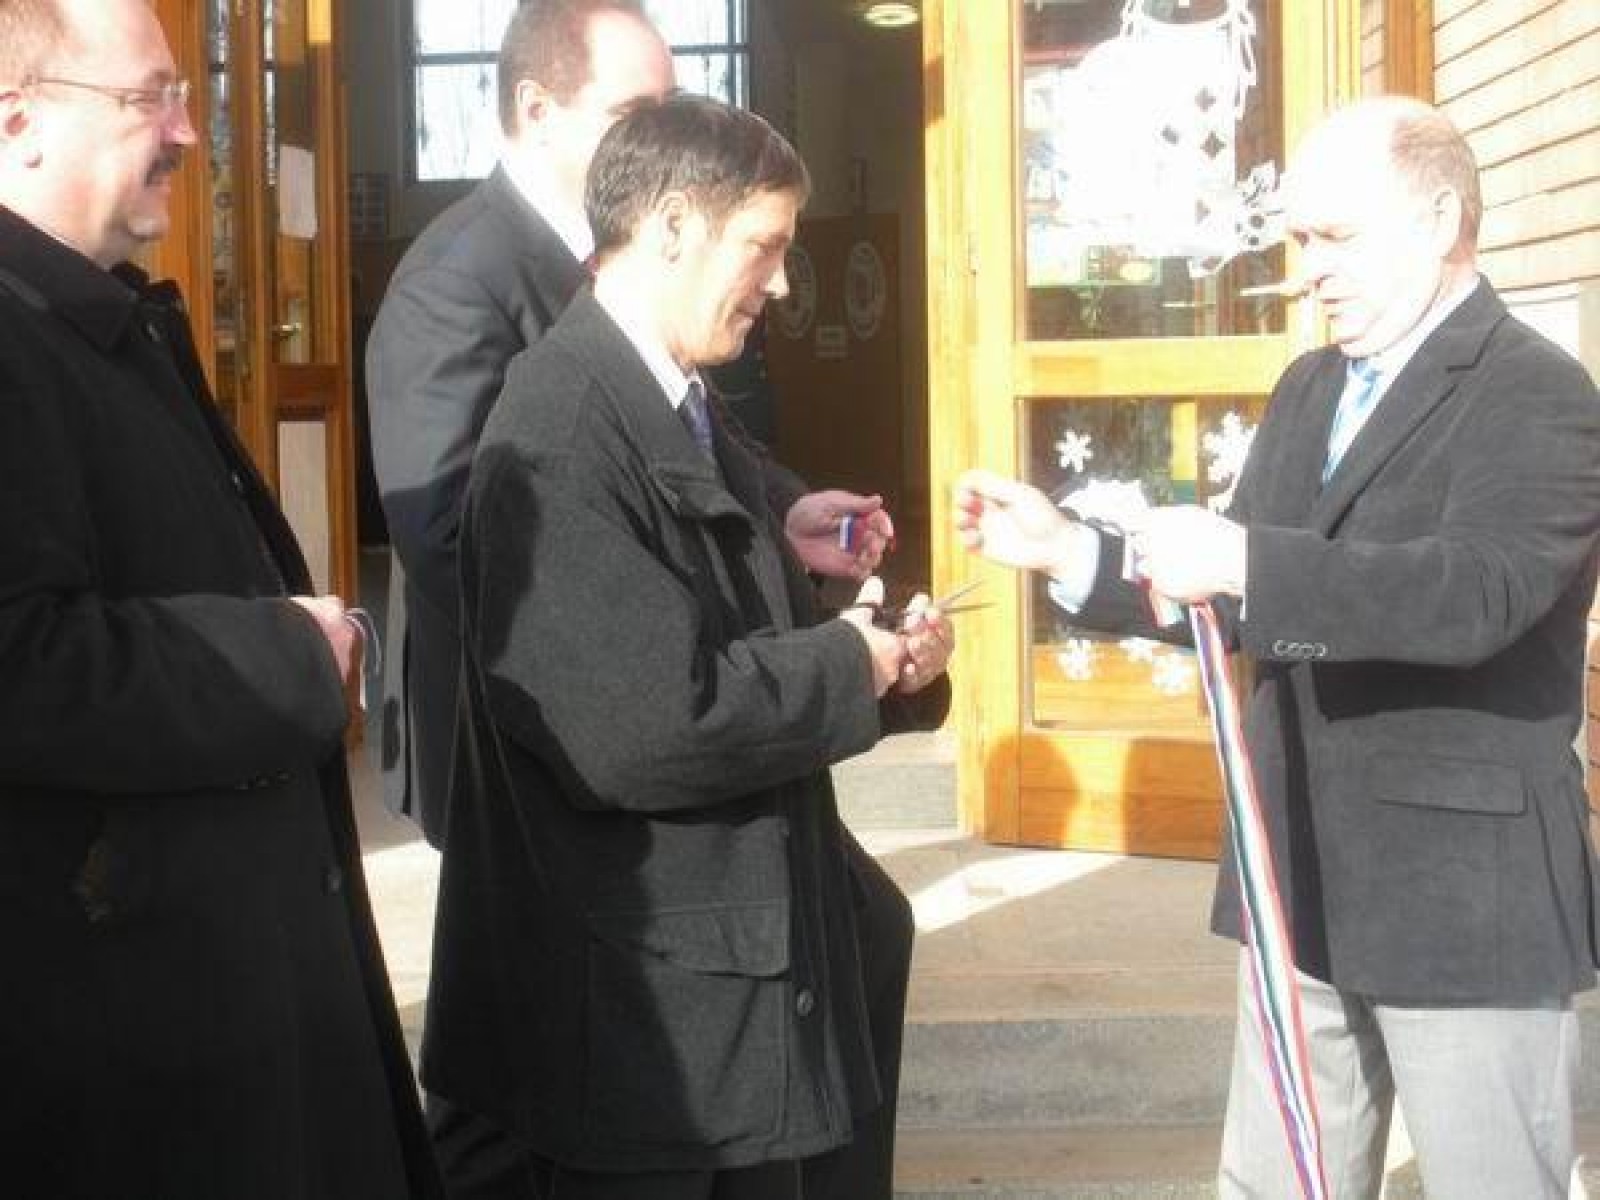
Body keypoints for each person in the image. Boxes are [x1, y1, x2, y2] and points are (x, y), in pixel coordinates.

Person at [954, 96, 1600, 1199]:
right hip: (1296, 870)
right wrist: (1070, 551)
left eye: (1334, 237)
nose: (1308, 271)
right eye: (1300, 238)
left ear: (1440, 218)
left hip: (1464, 900)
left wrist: (1246, 559)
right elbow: (1236, 596)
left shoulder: (1537, 389)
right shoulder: (1311, 385)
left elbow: (1477, 593)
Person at [422, 94, 951, 1200]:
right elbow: (649, 725)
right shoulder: (564, 429)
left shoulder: (670, 401)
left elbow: (710, 606)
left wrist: (880, 654)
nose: (783, 284)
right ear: (671, 228)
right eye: (764, 246)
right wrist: (849, 665)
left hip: (717, 982)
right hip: (648, 1027)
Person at [0, 1, 443, 1197]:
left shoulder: (97, 314)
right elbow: (20, 661)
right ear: (17, 119)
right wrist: (285, 655)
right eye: (150, 97)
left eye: (186, 97)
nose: (189, 132)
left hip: (207, 986)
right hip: (124, 1035)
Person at [366, 0, 894, 848]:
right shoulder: (453, 282)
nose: (661, 134)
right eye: (633, 113)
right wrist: (652, 672)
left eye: (670, 105)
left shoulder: (640, 249)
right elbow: (452, 533)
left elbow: (683, 422)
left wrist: (779, 511)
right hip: (534, 731)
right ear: (537, 109)